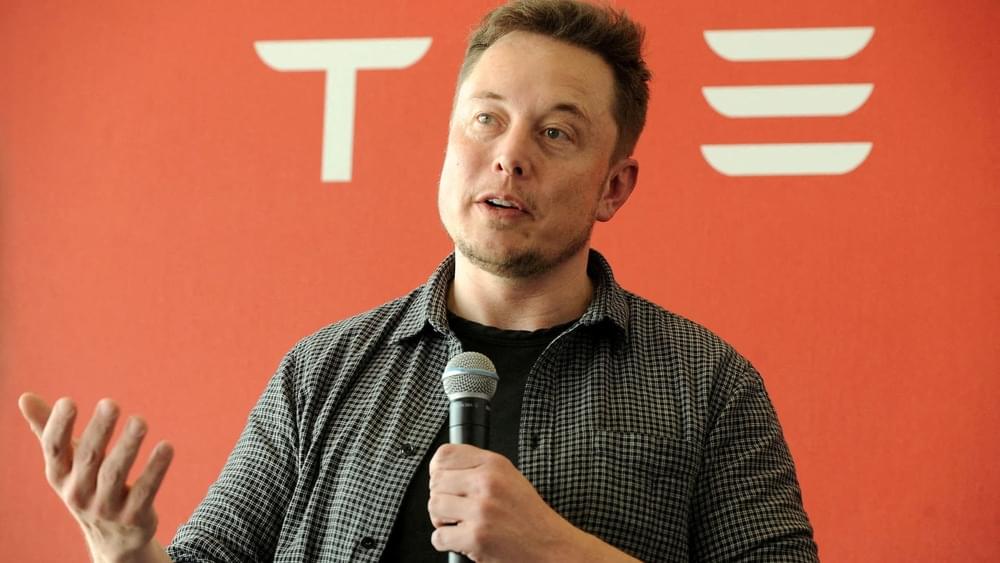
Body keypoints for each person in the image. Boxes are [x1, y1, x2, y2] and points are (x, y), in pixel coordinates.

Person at [18, 0, 819, 561]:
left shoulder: (707, 385)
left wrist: (556, 551)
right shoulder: (321, 372)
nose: (510, 155)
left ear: (613, 186)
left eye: (555, 132)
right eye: (486, 118)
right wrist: (124, 548)